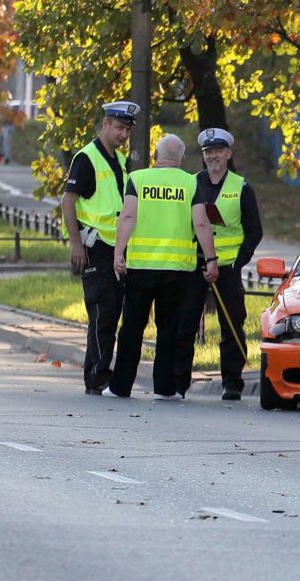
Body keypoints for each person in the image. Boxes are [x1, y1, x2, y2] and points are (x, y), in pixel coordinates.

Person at [105, 135, 218, 400]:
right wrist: (211, 260)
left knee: (132, 327)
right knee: (169, 329)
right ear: (180, 157)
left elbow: (128, 216)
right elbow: (201, 224)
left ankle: (121, 386)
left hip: (141, 266)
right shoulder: (191, 183)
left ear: (156, 154)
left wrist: (118, 252)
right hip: (177, 270)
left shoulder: (139, 179)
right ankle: (166, 388)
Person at [172, 128, 263, 400]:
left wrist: (238, 262)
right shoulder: (191, 183)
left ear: (228, 154)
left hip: (227, 267)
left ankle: (232, 382)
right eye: (208, 152)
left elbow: (254, 230)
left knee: (233, 324)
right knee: (185, 323)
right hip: (195, 264)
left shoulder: (241, 187)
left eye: (218, 151)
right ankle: (179, 382)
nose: (213, 156)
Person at [59, 101, 135, 395]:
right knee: (103, 314)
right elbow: (68, 201)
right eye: (119, 127)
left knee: (111, 312)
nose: (123, 134)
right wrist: (75, 244)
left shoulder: (118, 159)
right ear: (105, 123)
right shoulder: (87, 158)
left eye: (127, 129)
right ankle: (97, 376)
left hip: (116, 247)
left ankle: (100, 372)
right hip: (96, 246)